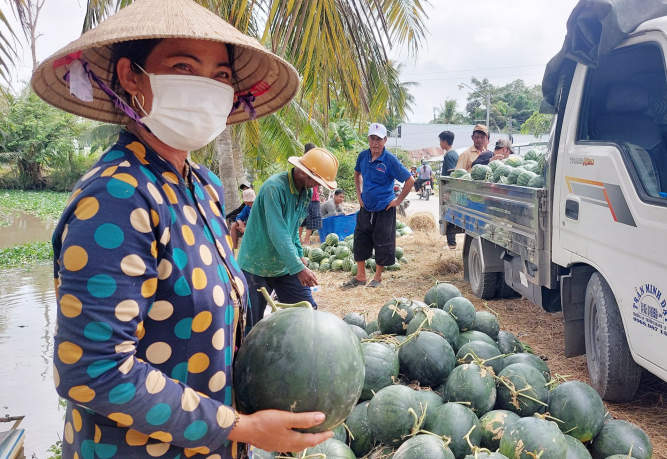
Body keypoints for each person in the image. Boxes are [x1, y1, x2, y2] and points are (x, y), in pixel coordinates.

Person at [35, 0, 332, 457]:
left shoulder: (204, 188)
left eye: (221, 76)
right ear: (132, 77)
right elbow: (92, 371)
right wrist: (242, 428)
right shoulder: (117, 197)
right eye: (182, 66)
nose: (207, 89)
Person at [238, 147, 339, 318]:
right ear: (305, 174)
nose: (318, 186)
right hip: (256, 266)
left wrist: (299, 256)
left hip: (285, 265)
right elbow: (277, 231)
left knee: (307, 314)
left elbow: (293, 230)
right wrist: (298, 268)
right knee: (251, 324)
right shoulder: (274, 188)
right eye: (317, 181)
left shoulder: (305, 192)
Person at [342, 123, 414, 289]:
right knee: (360, 239)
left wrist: (398, 201)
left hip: (384, 208)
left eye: (379, 139)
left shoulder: (390, 160)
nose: (375, 142)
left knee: (382, 241)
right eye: (372, 138)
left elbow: (409, 180)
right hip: (366, 207)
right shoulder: (363, 156)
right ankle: (360, 276)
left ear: (385, 140)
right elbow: (357, 174)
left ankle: (378, 277)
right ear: (368, 139)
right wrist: (359, 195)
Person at [298, 142, 321, 245]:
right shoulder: (303, 163)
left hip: (312, 195)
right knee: (304, 219)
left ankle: (304, 240)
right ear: (305, 152)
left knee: (305, 220)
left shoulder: (315, 163)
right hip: (308, 197)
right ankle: (301, 239)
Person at [439, 131, 459, 250]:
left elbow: (452, 174)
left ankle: (451, 243)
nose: (440, 143)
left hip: (450, 192)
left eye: (440, 141)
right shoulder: (453, 154)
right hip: (450, 191)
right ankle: (451, 243)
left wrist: (448, 192)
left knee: (449, 216)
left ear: (445, 141)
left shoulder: (450, 155)